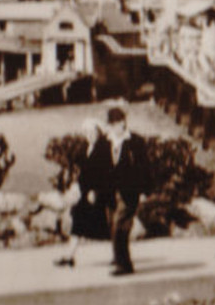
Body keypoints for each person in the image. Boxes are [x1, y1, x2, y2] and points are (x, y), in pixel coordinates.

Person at [82, 105, 148, 276]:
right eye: (114, 123)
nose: (119, 126)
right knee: (114, 226)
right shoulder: (105, 142)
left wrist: (144, 191)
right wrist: (90, 189)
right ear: (110, 125)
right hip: (109, 192)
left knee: (120, 225)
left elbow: (145, 168)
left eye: (120, 122)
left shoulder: (136, 142)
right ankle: (119, 259)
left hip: (129, 192)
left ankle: (124, 264)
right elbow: (93, 167)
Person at [55, 118, 108, 268]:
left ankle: (120, 255)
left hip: (98, 193)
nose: (90, 135)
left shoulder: (104, 148)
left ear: (98, 132)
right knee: (78, 222)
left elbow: (105, 173)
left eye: (93, 132)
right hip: (85, 193)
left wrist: (96, 191)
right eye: (87, 132)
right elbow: (80, 168)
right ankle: (69, 256)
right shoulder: (86, 147)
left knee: (106, 226)